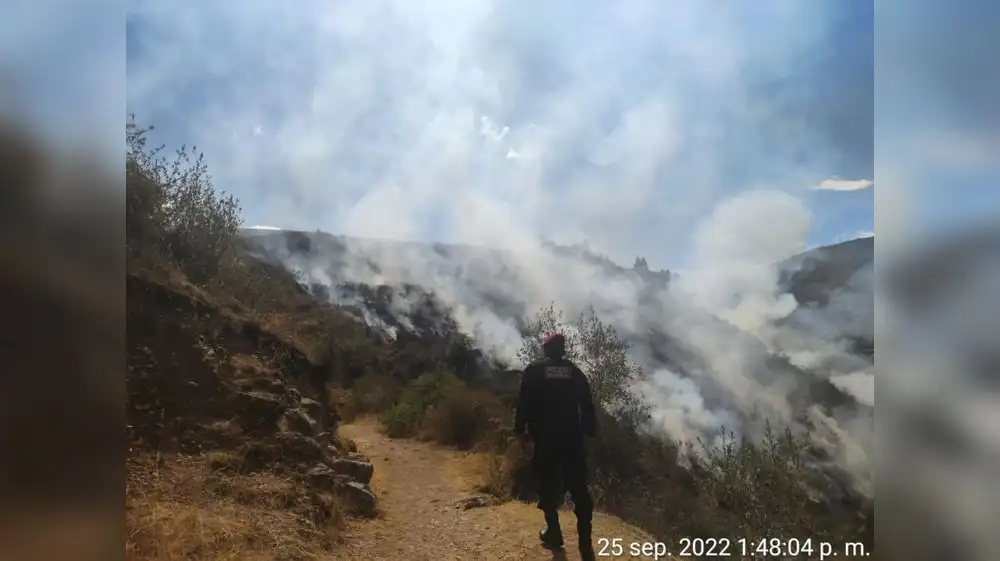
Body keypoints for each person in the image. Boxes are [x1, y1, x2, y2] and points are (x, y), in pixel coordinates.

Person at [515, 332, 597, 560]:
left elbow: (523, 403)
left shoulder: (534, 370)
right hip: (572, 439)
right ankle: (585, 545)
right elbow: (587, 403)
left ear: (546, 350)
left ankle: (554, 533)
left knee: (547, 485)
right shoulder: (574, 372)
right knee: (579, 488)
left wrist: (520, 431)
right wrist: (589, 434)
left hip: (546, 439)